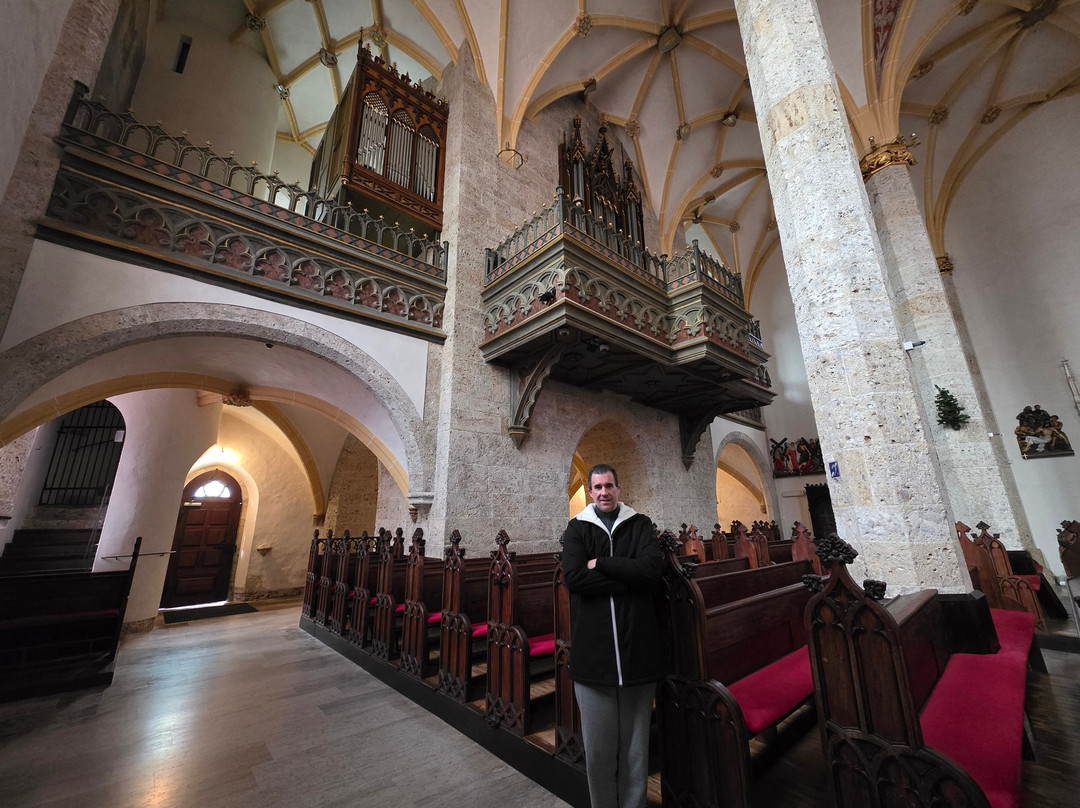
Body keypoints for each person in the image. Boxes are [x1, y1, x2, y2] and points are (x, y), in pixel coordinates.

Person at [561, 464, 664, 808]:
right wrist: (628, 574)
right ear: (590, 492)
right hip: (594, 660)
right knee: (600, 749)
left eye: (609, 486)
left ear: (619, 488)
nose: (604, 492)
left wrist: (601, 564)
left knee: (636, 748)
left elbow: (651, 571)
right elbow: (574, 578)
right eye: (597, 487)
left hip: (638, 656)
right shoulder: (577, 529)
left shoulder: (640, 524)